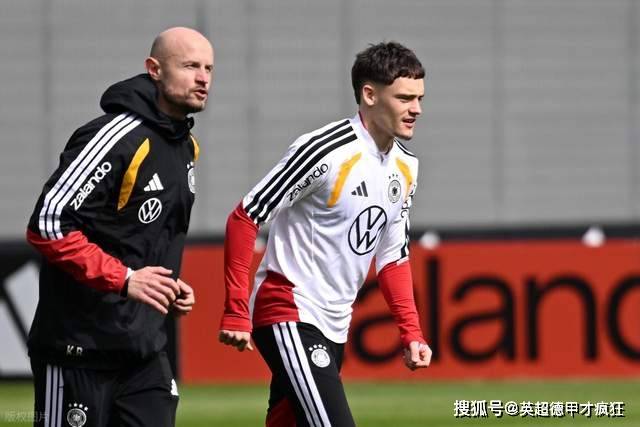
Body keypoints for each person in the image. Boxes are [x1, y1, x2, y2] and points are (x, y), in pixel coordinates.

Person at [219, 41, 432, 427]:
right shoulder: (324, 150)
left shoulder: (406, 166)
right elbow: (245, 217)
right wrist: (236, 310)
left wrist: (411, 331)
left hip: (335, 325)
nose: (416, 109)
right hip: (288, 309)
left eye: (419, 98)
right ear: (369, 95)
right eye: (404, 98)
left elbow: (392, 256)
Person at [26, 27, 213, 427]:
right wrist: (126, 279)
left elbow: (139, 236)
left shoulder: (186, 146)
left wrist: (167, 285)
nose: (203, 78)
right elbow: (47, 224)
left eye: (208, 68)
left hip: (144, 353)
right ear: (154, 69)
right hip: (78, 351)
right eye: (190, 66)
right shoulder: (114, 137)